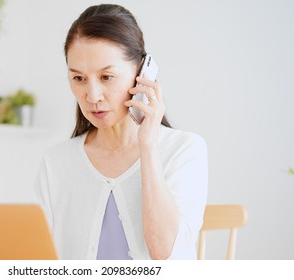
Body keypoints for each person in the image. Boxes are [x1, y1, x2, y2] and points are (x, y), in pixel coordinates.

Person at [33, 4, 208, 260]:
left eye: (106, 77)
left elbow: (164, 253)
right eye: (79, 78)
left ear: (142, 74)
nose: (91, 96)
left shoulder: (184, 150)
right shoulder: (56, 162)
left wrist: (147, 146)